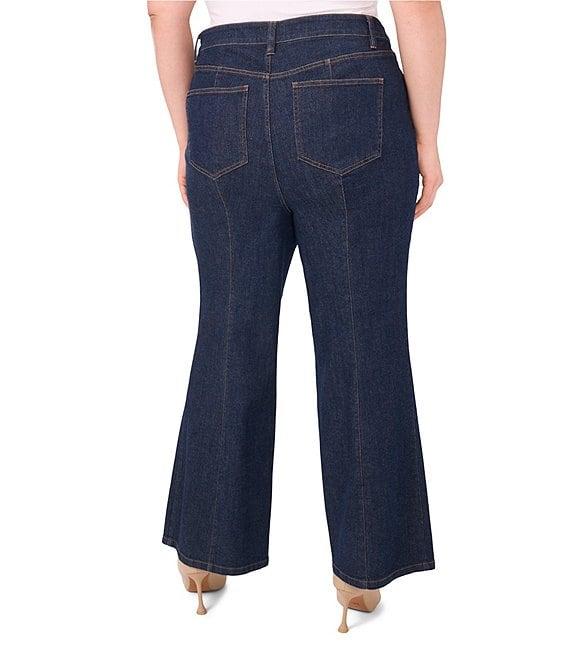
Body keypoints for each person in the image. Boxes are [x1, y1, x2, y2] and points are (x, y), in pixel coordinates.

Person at [148, 0, 445, 633]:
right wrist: (427, 138)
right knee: (364, 335)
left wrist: (187, 137)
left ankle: (204, 557)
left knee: (229, 329)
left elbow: (163, 13)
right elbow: (417, 7)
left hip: (222, 90)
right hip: (351, 86)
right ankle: (362, 572)